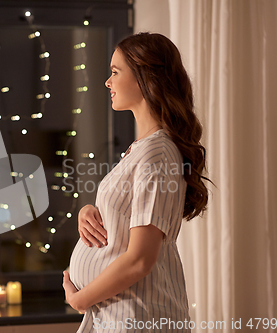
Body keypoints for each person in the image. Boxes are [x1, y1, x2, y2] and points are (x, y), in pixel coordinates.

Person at [63, 32, 212, 332]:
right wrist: (91, 212)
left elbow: (140, 260)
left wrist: (80, 301)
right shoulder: (143, 149)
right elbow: (128, 218)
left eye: (115, 72)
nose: (108, 82)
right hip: (120, 314)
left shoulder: (157, 152)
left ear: (146, 78)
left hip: (138, 318)